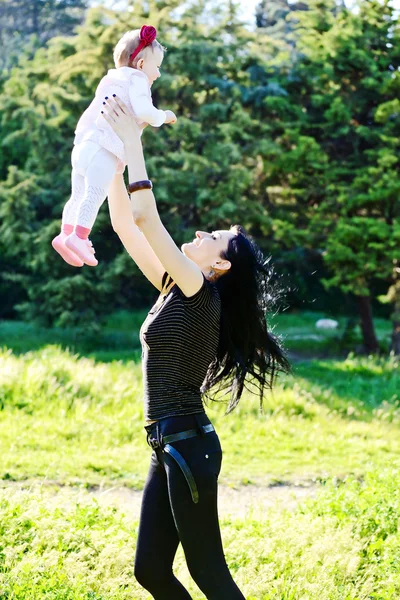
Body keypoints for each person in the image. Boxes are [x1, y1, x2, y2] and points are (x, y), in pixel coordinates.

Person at [103, 96, 291, 599]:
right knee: (151, 572)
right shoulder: (177, 286)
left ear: (220, 266)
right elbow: (125, 223)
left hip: (187, 445)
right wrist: (111, 158)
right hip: (168, 443)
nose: (202, 232)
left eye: (216, 237)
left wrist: (134, 141)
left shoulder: (197, 289)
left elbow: (146, 217)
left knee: (209, 573)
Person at [51, 25, 177, 268]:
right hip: (103, 149)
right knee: (95, 193)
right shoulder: (138, 79)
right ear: (141, 64)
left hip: (83, 144)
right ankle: (79, 237)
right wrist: (164, 116)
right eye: (157, 67)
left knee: (77, 194)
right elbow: (143, 111)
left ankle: (65, 234)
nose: (158, 74)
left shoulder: (111, 78)